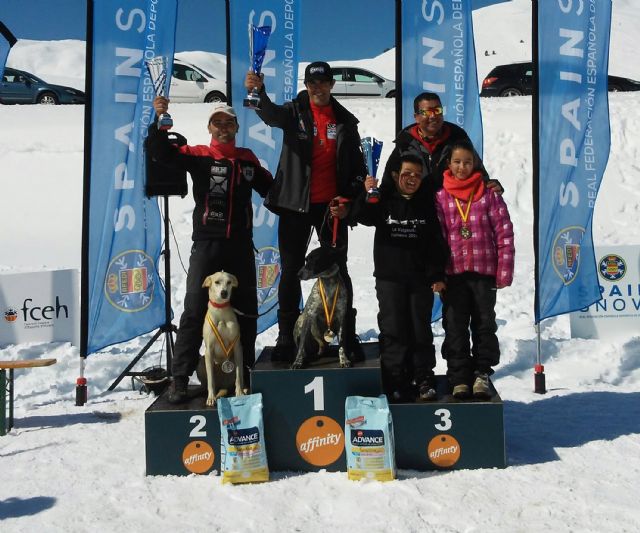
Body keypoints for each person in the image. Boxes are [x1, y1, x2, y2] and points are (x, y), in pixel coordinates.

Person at [147, 96, 273, 404]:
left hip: (241, 245)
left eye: (228, 123)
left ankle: (244, 372)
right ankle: (179, 378)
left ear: (236, 127)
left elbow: (273, 189)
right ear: (209, 127)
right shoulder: (199, 154)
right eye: (217, 123)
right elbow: (160, 154)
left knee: (246, 309)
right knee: (194, 308)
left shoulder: (247, 158)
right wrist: (159, 122)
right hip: (207, 243)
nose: (223, 128)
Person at [245, 61, 367, 362]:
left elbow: (356, 168)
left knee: (340, 270)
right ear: (306, 85)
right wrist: (258, 92)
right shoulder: (294, 111)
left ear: (331, 85)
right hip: (295, 205)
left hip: (331, 207)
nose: (318, 88)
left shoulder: (345, 122)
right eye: (312, 83)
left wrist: (348, 199)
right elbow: (270, 115)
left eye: (323, 82)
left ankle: (346, 334)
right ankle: (287, 335)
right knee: (290, 270)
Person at [350, 154, 448, 403]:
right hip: (389, 278)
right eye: (407, 174)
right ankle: (395, 380)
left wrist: (437, 274)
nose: (412, 179)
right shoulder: (383, 200)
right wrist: (367, 193)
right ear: (395, 175)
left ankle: (424, 378)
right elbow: (361, 216)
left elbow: (436, 242)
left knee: (420, 330)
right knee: (393, 330)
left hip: (419, 280)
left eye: (417, 175)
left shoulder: (426, 204)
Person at [434, 140, 514, 399]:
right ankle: (458, 376)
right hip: (453, 274)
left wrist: (504, 271)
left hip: (483, 272)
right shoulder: (441, 196)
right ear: (449, 164)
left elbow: (504, 234)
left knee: (484, 324)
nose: (462, 167)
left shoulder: (489, 194)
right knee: (455, 326)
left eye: (467, 162)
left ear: (475, 164)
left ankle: (481, 372)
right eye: (457, 162)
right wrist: (437, 274)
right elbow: (436, 239)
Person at [380, 91, 502, 198]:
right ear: (416, 117)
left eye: (437, 110)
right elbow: (389, 184)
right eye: (427, 112)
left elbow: (478, 173)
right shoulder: (405, 144)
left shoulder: (458, 139)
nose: (433, 116)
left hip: (452, 215)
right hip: (419, 215)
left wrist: (490, 185)